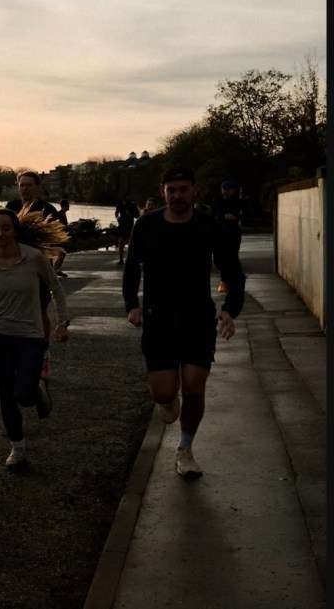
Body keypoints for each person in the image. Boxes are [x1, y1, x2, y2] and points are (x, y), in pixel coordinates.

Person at [123, 166, 245, 479]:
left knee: (193, 388)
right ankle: (167, 400)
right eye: (171, 190)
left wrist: (230, 309)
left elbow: (233, 271)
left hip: (197, 320)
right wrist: (132, 305)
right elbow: (132, 268)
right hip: (158, 319)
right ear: (163, 191)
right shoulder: (146, 226)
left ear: (194, 190)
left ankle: (185, 449)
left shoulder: (210, 227)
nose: (177, 195)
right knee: (164, 394)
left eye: (183, 189)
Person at [0, 208, 70, 470]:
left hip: (31, 335)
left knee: (23, 394)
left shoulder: (34, 258)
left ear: (15, 231)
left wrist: (63, 322)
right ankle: (17, 448)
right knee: (6, 394)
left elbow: (56, 288)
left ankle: (36, 390)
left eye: (5, 228)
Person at [6, 172, 66, 379]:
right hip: (12, 268)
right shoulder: (11, 207)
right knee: (13, 312)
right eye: (22, 185)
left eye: (29, 185)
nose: (24, 189)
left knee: (40, 311)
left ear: (38, 187)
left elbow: (57, 241)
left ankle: (44, 352)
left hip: (39, 270)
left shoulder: (47, 210)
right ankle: (17, 356)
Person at [211, 179, 244, 293]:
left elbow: (247, 212)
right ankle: (228, 277)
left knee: (231, 256)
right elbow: (214, 212)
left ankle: (226, 280)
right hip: (219, 232)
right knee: (218, 258)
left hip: (233, 232)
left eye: (228, 190)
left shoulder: (238, 201)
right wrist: (223, 215)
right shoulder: (218, 200)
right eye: (224, 189)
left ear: (233, 190)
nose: (225, 192)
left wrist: (235, 218)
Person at [114, 196, 140, 265]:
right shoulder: (120, 205)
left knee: (130, 242)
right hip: (122, 225)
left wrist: (130, 214)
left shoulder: (132, 205)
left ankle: (130, 259)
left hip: (129, 225)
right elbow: (116, 213)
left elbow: (137, 215)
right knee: (121, 242)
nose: (126, 199)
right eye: (124, 198)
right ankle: (121, 259)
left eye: (127, 198)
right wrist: (118, 218)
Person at [49, 199, 70, 278]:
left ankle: (56, 269)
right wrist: (69, 227)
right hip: (59, 236)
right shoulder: (60, 213)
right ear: (66, 205)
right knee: (62, 253)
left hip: (61, 236)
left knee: (62, 253)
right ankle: (55, 270)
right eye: (68, 205)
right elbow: (60, 225)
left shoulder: (62, 213)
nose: (69, 207)